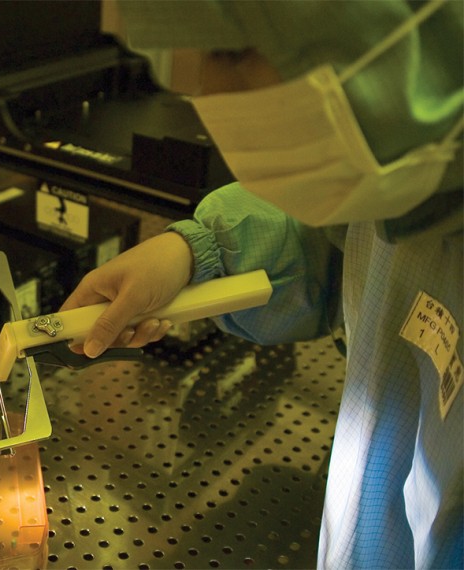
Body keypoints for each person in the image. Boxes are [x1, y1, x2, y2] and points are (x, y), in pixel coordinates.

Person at [62, 1, 463, 567]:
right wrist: (193, 255)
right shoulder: (415, 184)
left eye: (231, 51)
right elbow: (344, 253)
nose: (210, 94)